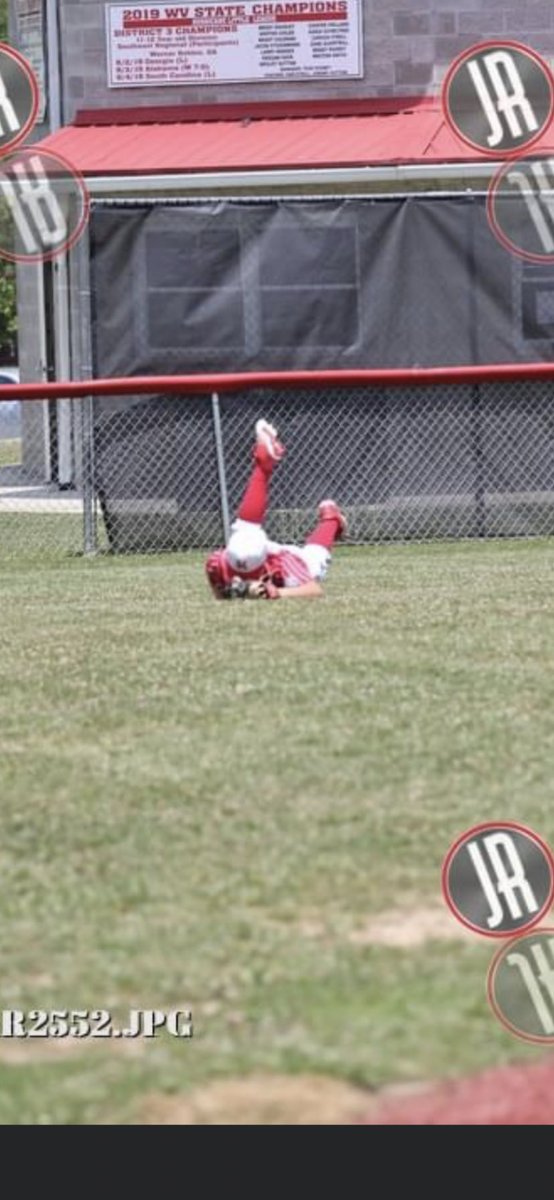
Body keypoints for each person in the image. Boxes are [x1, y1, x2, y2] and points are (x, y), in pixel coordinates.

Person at [205, 419, 347, 601]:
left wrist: (278, 592)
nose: (241, 578)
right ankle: (264, 463)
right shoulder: (218, 562)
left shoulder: (282, 562)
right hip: (250, 542)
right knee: (245, 527)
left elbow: (314, 590)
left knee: (315, 562)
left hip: (290, 558)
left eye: (248, 574)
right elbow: (220, 597)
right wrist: (233, 593)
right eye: (236, 572)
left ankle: (331, 519)